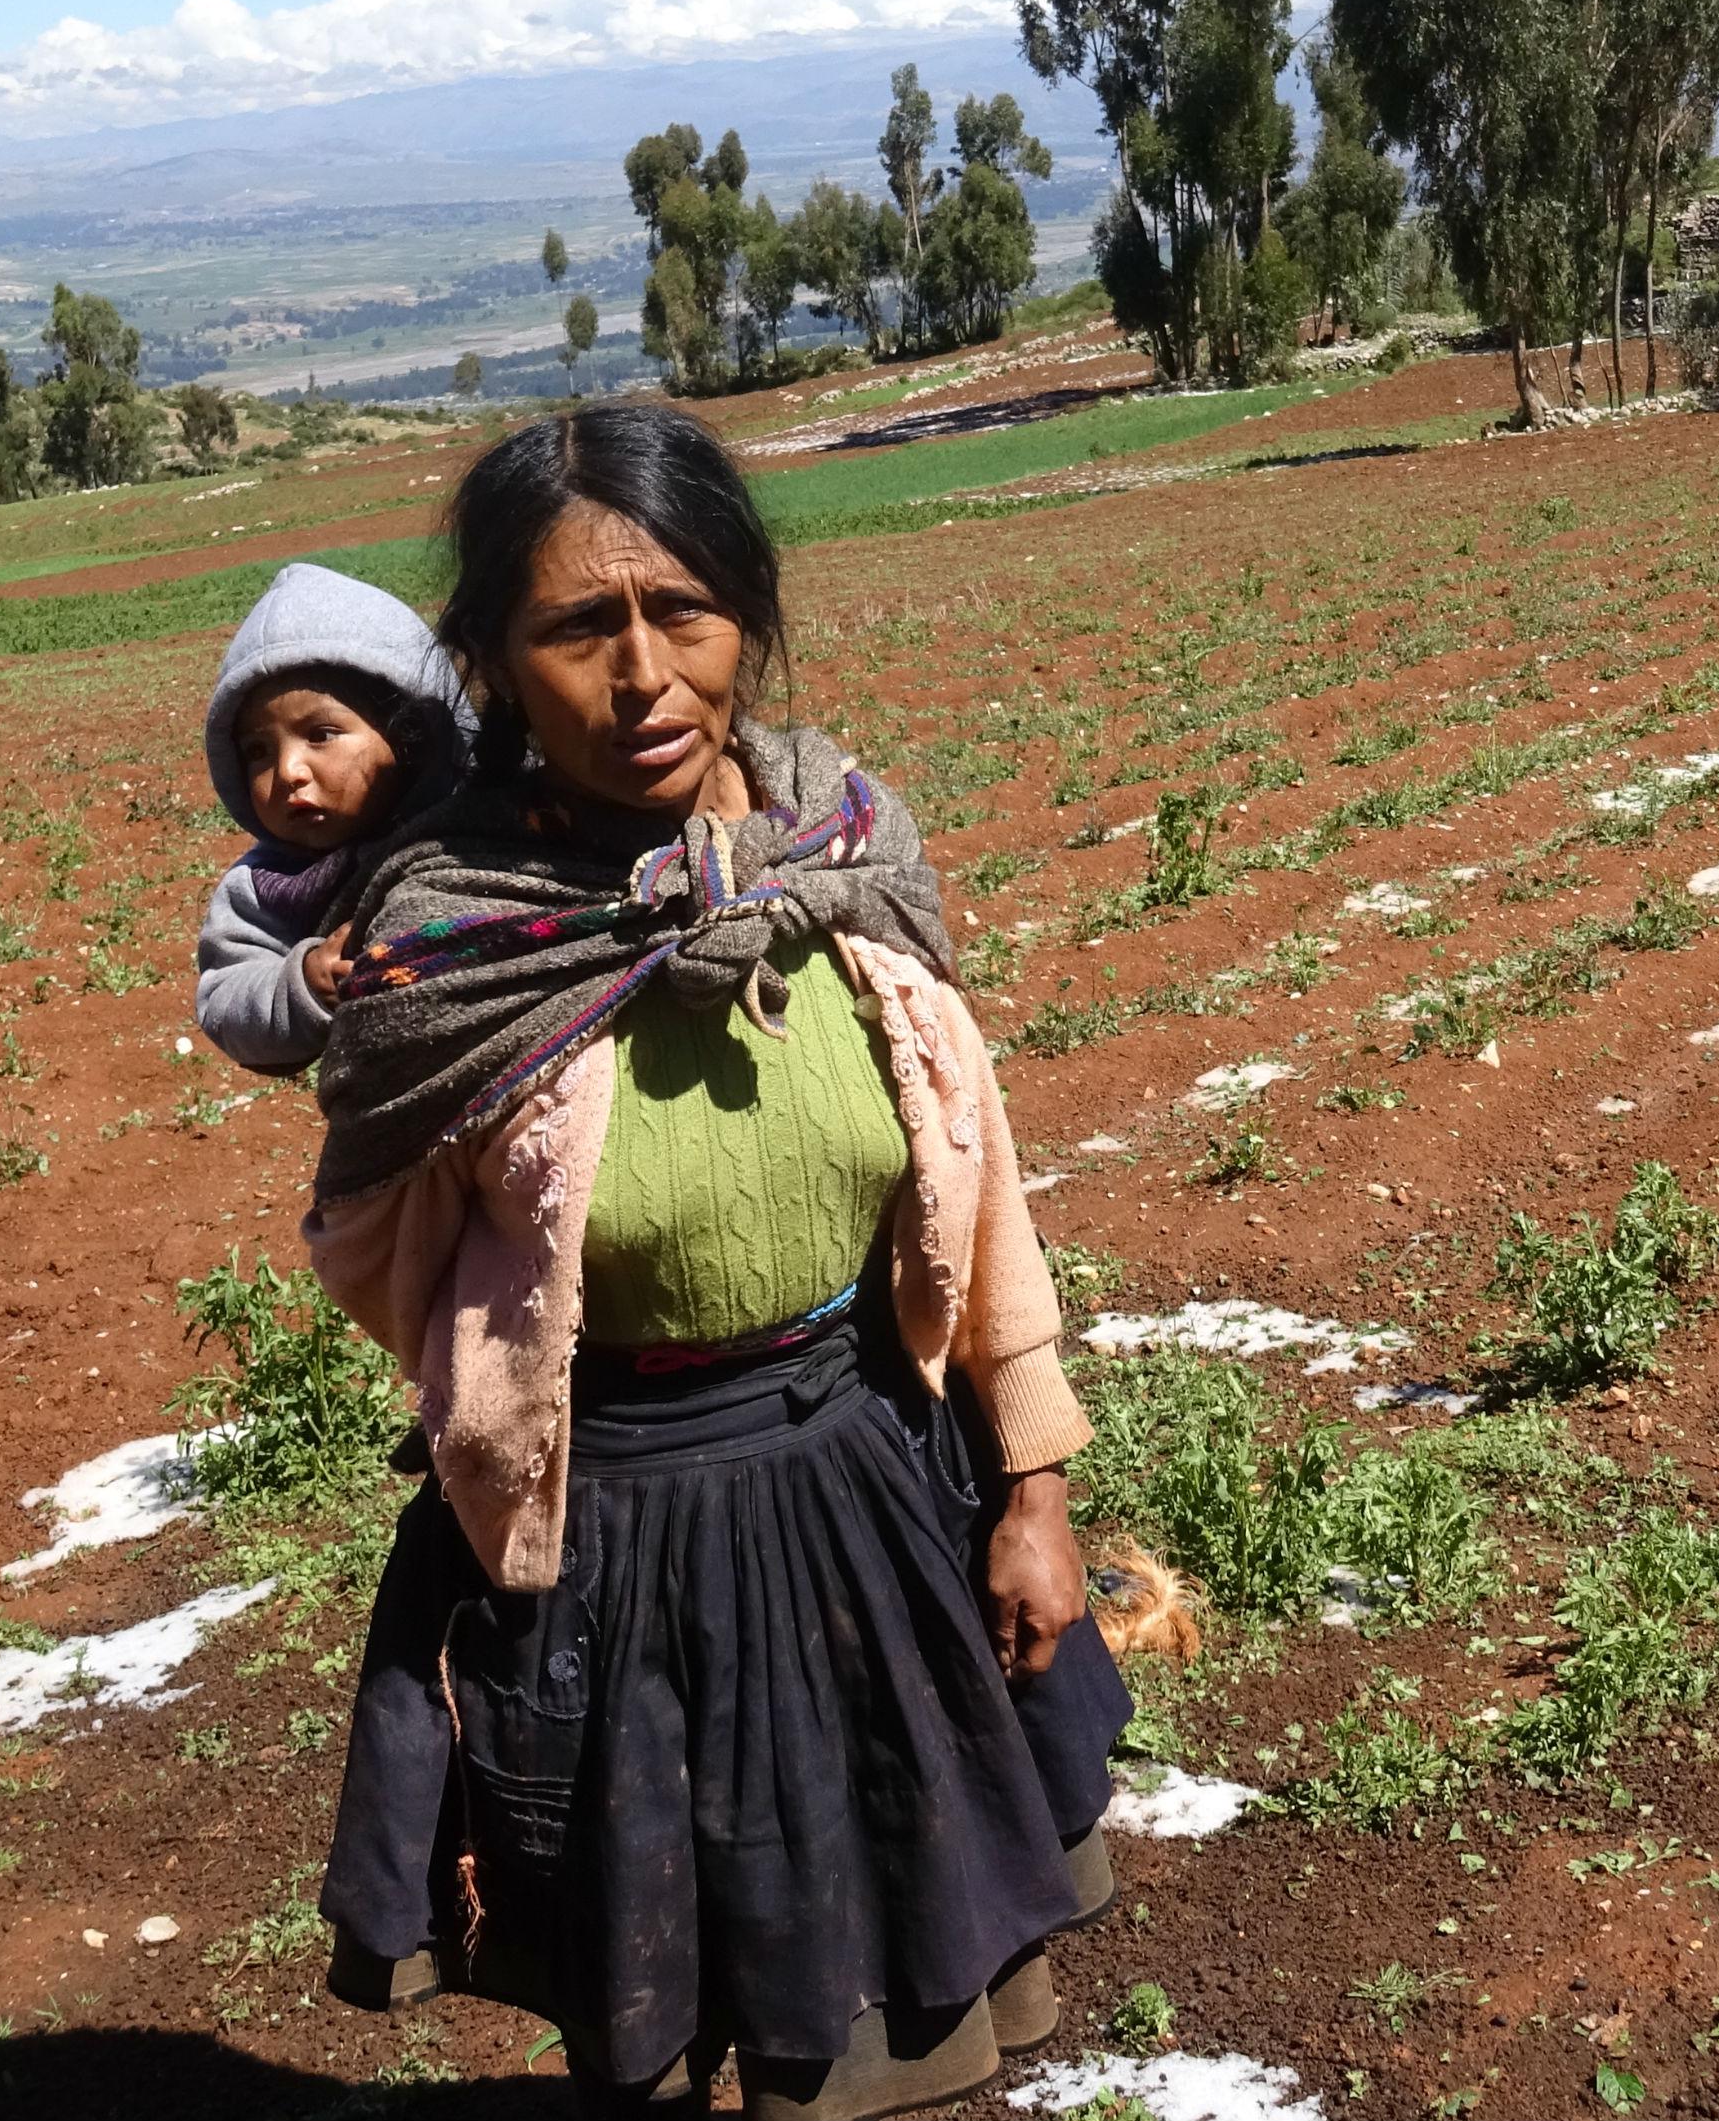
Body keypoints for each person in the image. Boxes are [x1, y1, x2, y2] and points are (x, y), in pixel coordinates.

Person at [301, 405, 1129, 2120]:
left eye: (681, 608)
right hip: (614, 1538)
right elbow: (377, 1244)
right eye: (573, 626)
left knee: (889, 1960)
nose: (641, 673)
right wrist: (510, 1401)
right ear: (491, 663)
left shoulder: (845, 854)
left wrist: (1031, 1489)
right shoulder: (455, 938)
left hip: (873, 1483)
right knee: (659, 1979)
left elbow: (981, 1200)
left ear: (748, 612)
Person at [194, 561, 473, 1077]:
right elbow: (225, 998)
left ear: (408, 734)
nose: (288, 771)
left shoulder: (481, 818)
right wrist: (300, 982)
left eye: (320, 734)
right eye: (257, 751)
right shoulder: (268, 886)